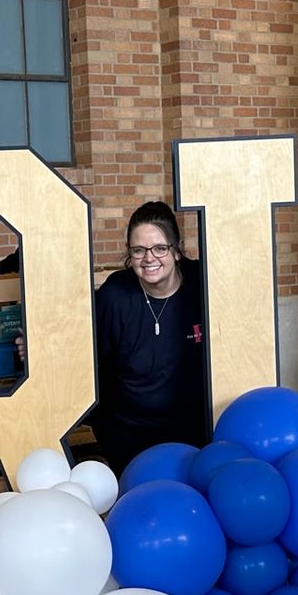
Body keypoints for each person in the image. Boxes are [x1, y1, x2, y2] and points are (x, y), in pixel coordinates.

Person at [89, 201, 211, 474]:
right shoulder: (115, 294)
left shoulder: (203, 283)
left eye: (159, 248)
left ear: (176, 251)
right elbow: (81, 346)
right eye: (138, 250)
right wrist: (38, 349)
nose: (149, 258)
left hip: (193, 430)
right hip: (129, 433)